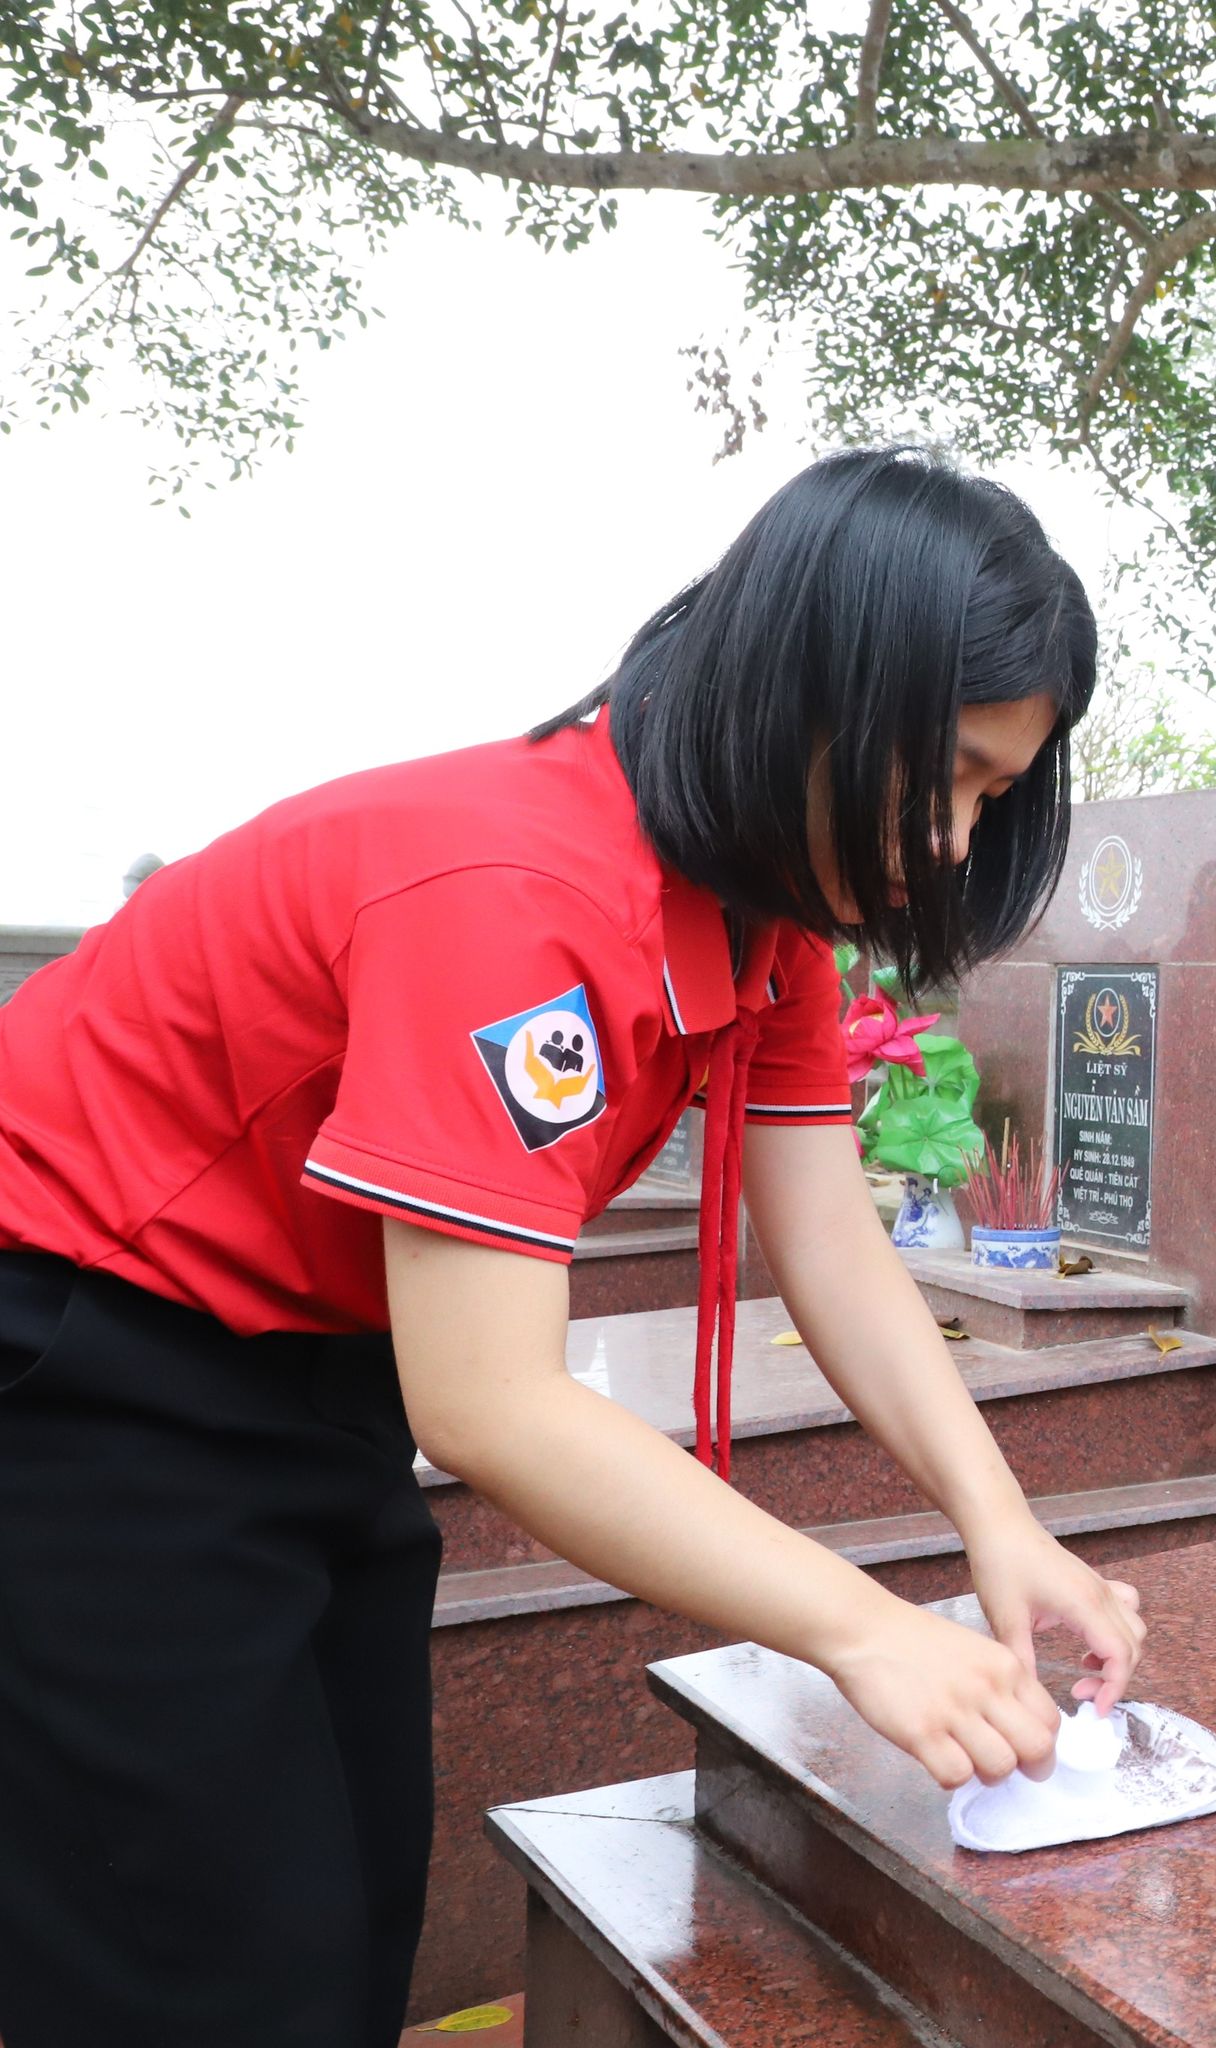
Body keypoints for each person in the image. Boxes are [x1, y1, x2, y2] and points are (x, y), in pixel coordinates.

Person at [0, 447, 1149, 2046]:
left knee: (344, 1913)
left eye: (993, 799)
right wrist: (860, 1627)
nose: (954, 841)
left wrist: (999, 1530)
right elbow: (493, 1405)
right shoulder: (514, 894)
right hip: (80, 1356)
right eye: (942, 772)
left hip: (318, 1369)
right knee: (198, 1957)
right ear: (812, 682)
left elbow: (829, 1243)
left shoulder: (769, 911)